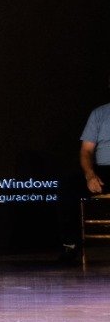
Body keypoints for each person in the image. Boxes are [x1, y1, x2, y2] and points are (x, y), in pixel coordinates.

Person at [58, 75, 110, 263]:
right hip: (104, 170)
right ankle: (70, 244)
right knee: (68, 185)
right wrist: (90, 176)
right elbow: (86, 151)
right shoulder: (99, 114)